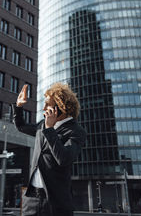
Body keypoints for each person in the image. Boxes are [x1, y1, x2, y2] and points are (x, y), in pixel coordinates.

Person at [12, 83, 86, 216]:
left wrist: (50, 129)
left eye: (48, 105)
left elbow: (64, 159)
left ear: (61, 108)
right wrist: (19, 106)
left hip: (56, 202)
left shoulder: (76, 131)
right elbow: (21, 126)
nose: (44, 108)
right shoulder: (42, 125)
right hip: (32, 199)